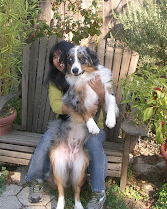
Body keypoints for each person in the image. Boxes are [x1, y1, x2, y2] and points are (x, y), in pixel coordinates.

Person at [25, 41, 108, 209]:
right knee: (48, 138)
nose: (58, 60)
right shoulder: (55, 81)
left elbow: (106, 103)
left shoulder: (89, 74)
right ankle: (37, 180)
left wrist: (100, 92)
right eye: (54, 57)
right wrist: (83, 111)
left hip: (93, 128)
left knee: (92, 143)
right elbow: (57, 106)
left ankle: (99, 192)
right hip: (66, 126)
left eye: (60, 55)